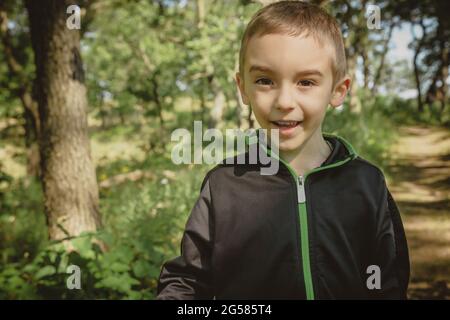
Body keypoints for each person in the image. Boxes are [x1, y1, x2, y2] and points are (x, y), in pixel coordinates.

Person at [157, 0, 409, 299]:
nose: (284, 101)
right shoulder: (224, 185)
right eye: (265, 81)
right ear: (243, 88)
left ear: (337, 90)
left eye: (306, 82)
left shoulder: (366, 183)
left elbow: (387, 280)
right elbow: (187, 280)